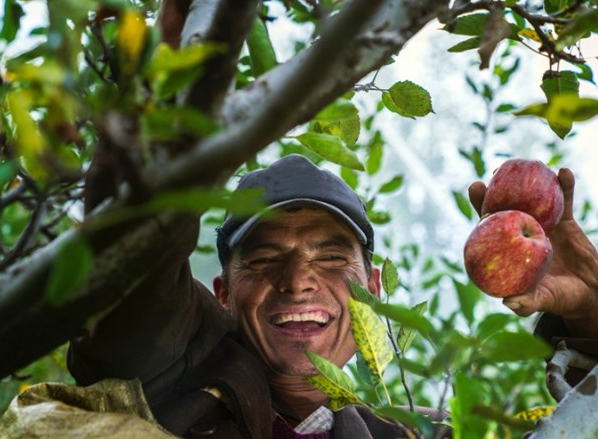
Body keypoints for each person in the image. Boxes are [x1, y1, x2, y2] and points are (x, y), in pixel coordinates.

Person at [64, 153, 598, 438]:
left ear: (374, 291)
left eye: (330, 257)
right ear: (222, 295)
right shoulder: (165, 390)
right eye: (266, 258)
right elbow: (134, 279)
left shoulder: (424, 435)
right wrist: (173, 128)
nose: (298, 280)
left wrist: (593, 317)